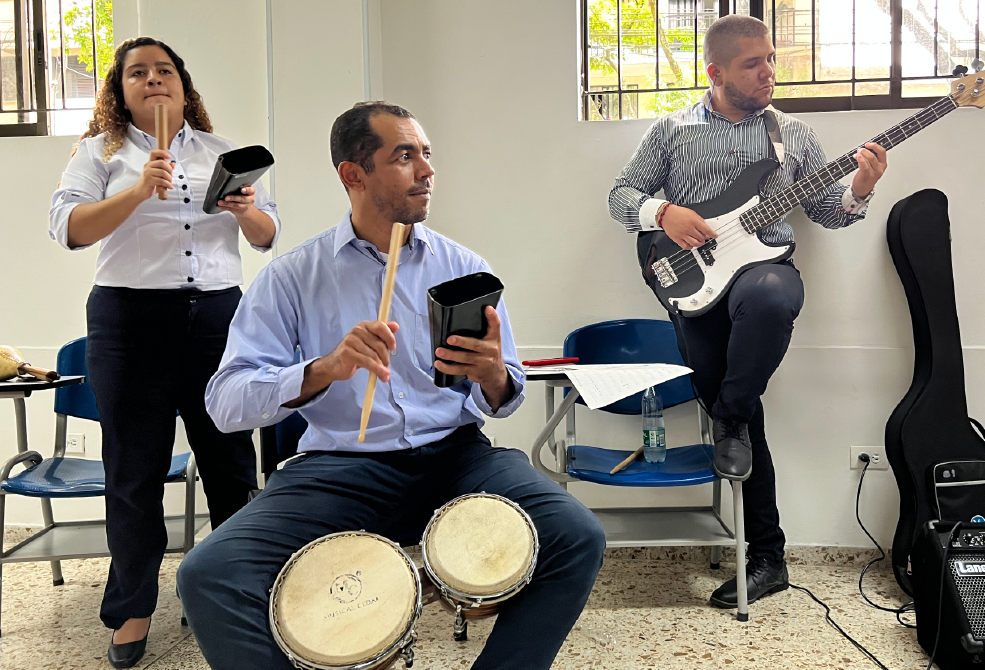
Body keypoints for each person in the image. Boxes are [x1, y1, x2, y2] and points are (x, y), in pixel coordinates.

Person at [176, 101, 606, 670]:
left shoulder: (464, 269)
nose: (426, 170)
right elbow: (224, 402)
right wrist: (322, 369)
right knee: (208, 575)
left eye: (426, 154)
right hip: (339, 467)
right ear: (352, 174)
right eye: (404, 156)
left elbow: (507, 395)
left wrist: (492, 375)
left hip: (458, 458)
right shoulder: (291, 277)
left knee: (577, 534)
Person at [608, 15, 888, 610]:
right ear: (715, 71)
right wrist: (663, 213)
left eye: (770, 60)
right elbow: (621, 195)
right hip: (692, 286)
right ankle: (769, 557)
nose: (768, 73)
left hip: (761, 273)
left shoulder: (791, 135)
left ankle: (729, 418)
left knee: (771, 295)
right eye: (752, 63)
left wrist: (860, 189)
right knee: (747, 417)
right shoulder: (673, 130)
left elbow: (828, 214)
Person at [48, 37, 277, 667]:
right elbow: (68, 228)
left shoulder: (223, 152)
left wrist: (247, 209)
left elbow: (266, 236)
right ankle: (132, 609)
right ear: (119, 90)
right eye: (137, 73)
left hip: (219, 319)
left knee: (231, 463)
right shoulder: (100, 152)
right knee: (134, 472)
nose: (153, 80)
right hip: (129, 321)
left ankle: (237, 593)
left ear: (184, 85)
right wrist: (135, 193)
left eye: (165, 70)